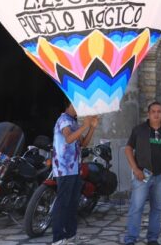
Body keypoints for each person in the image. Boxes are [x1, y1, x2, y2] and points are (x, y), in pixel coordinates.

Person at [123, 101, 161, 245]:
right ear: (149, 114)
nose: (156, 114)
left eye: (159, 111)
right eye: (153, 111)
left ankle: (152, 238)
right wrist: (135, 169)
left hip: (160, 176)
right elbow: (128, 149)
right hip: (142, 175)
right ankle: (131, 239)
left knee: (157, 209)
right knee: (136, 208)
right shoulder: (139, 130)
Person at [51, 102, 97, 245]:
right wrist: (85, 124)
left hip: (75, 168)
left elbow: (83, 143)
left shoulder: (73, 122)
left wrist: (92, 127)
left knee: (72, 203)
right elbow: (69, 138)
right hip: (64, 169)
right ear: (70, 103)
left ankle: (70, 235)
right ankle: (58, 238)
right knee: (62, 203)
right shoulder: (64, 119)